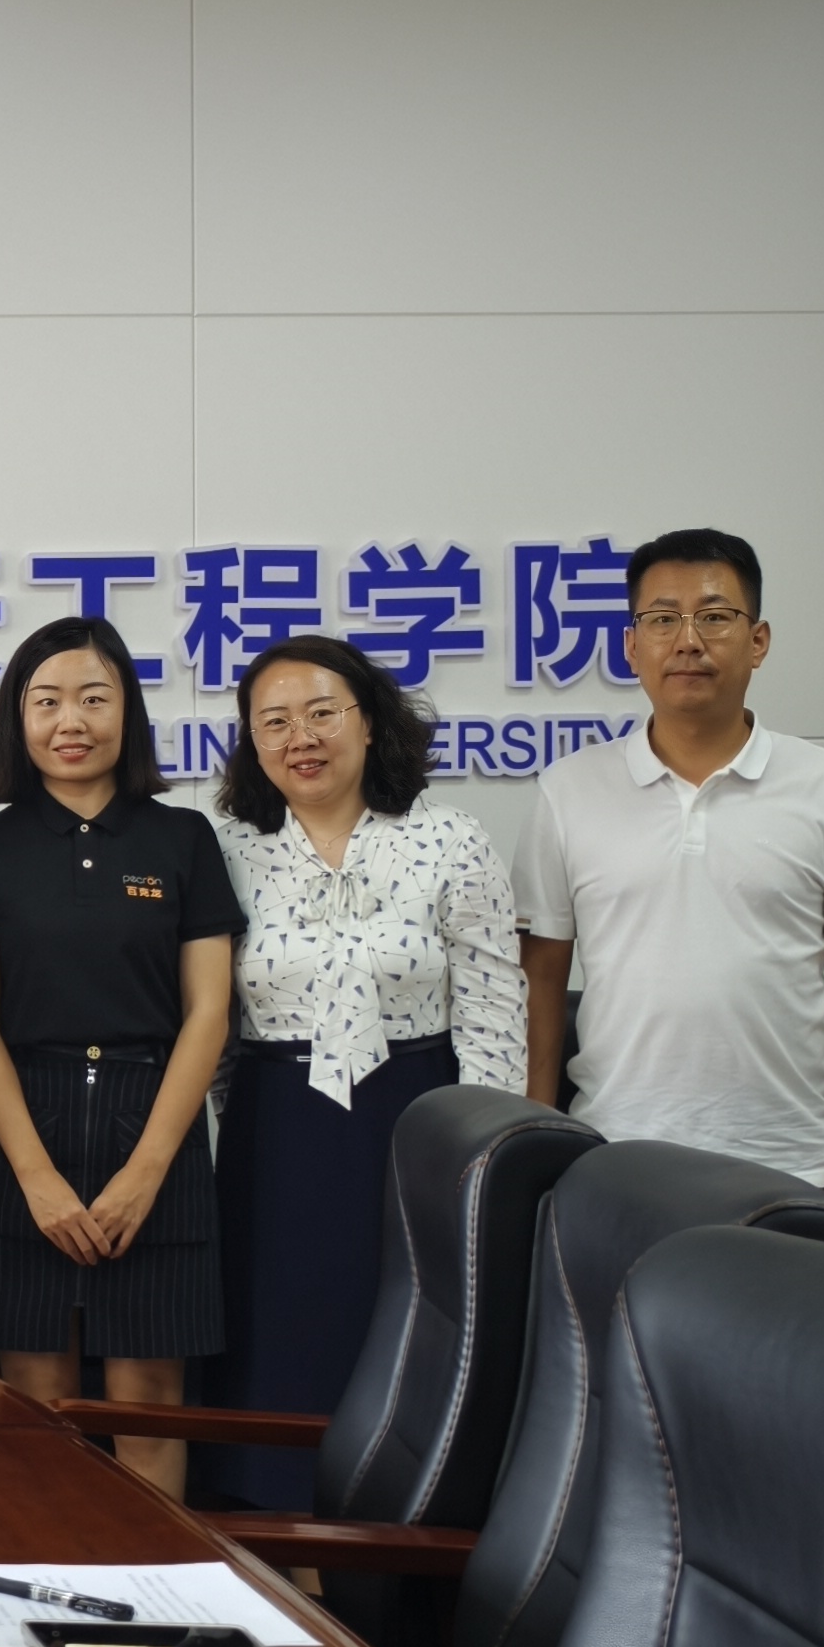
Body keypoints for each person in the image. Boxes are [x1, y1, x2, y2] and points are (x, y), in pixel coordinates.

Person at [193, 635, 523, 1511]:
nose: (300, 738)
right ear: (253, 742)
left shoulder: (449, 840)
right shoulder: (225, 848)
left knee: (411, 1327)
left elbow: (493, 1006)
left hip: (421, 1121)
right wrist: (246, 1110)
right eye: (274, 722)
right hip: (277, 1128)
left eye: (322, 714)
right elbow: (213, 1021)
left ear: (370, 722)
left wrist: (484, 1159)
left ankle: (403, 1545)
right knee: (278, 1330)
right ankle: (276, 1537)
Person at [512, 528, 824, 1215]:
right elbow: (539, 977)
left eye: (715, 617)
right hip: (612, 1160)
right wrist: (534, 1143)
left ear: (758, 641)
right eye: (662, 619)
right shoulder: (569, 790)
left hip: (793, 1164)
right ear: (631, 645)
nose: (688, 641)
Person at [0, 616, 241, 1493]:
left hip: (155, 1124)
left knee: (148, 1402)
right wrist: (35, 1178)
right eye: (47, 702)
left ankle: (156, 1585)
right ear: (17, 720)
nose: (71, 721)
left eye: (95, 699)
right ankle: (43, 1583)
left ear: (127, 714)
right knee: (37, 1409)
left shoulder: (182, 840)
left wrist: (147, 1173)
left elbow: (209, 1012)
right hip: (24, 1127)